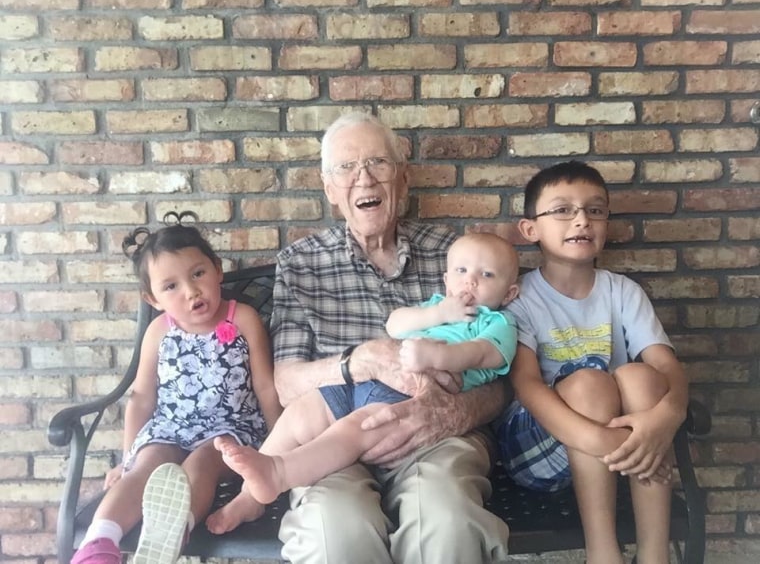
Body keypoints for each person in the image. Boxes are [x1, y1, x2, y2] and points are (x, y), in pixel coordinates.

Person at [214, 112, 512, 563]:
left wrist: (456, 411)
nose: (364, 178)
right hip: (334, 435)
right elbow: (286, 382)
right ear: (329, 189)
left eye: (378, 163)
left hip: (437, 432)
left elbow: (502, 373)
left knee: (448, 521)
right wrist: (358, 361)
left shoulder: (459, 258)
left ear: (404, 179)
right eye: (346, 168)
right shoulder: (302, 263)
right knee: (335, 529)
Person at [211, 232, 520, 511]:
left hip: (407, 401)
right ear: (446, 279)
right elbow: (395, 324)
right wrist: (436, 313)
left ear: (509, 293)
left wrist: (441, 355)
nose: (471, 281)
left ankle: (278, 473)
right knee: (303, 413)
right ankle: (249, 495)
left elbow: (484, 355)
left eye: (487, 274)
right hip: (365, 379)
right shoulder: (439, 306)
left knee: (353, 430)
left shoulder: (497, 324)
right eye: (461, 271)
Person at [495, 161, 688, 564]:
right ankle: (603, 553)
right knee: (589, 382)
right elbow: (527, 387)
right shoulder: (519, 298)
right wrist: (609, 442)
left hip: (620, 447)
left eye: (595, 210)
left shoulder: (623, 292)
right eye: (563, 210)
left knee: (641, 376)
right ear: (530, 230)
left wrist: (665, 419)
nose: (581, 220)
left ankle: (655, 554)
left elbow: (668, 368)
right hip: (541, 446)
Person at [70, 212, 282, 564]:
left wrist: (278, 446)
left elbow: (265, 386)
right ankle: (98, 545)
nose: (191, 291)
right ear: (152, 298)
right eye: (171, 286)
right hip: (171, 429)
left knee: (204, 462)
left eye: (198, 274)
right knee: (147, 464)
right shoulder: (159, 332)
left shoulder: (242, 318)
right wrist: (128, 459)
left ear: (216, 269)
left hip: (230, 431)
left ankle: (169, 535)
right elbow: (141, 397)